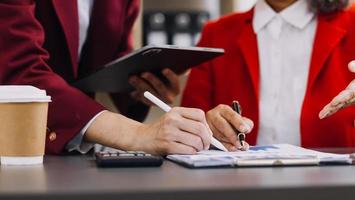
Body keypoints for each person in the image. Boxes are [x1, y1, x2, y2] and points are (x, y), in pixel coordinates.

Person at [0, 0, 213, 155]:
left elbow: (113, 52)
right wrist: (136, 134)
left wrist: (139, 85)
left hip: (70, 158)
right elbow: (20, 71)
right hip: (15, 146)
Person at [182, 0, 355, 151]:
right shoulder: (216, 33)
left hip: (337, 183)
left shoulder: (351, 22)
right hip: (238, 182)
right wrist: (209, 129)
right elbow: (185, 126)